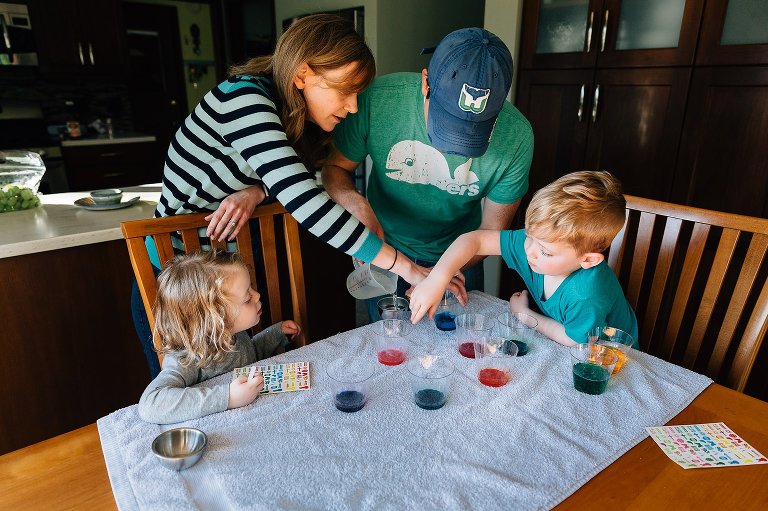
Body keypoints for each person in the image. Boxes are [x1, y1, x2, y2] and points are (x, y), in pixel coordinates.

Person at [132, 14, 465, 378]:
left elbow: (293, 175)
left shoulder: (289, 116)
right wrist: (409, 269)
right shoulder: (244, 99)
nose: (353, 106)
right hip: (177, 283)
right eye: (345, 91)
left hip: (224, 278)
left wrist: (258, 189)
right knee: (187, 400)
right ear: (303, 74)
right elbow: (306, 202)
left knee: (242, 388)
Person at [322, 27, 534, 323]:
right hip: (386, 254)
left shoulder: (518, 137)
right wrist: (358, 207)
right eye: (447, 123)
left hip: (462, 263)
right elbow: (334, 170)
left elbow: (490, 231)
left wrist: (443, 273)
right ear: (425, 83)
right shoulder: (378, 101)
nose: (455, 149)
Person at [408, 171, 639, 347]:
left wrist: (525, 316)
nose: (529, 251)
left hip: (610, 359)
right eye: (529, 236)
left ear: (588, 260)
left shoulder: (586, 293)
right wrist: (436, 279)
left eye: (546, 251)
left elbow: (575, 340)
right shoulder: (538, 244)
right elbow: (475, 240)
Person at [138, 251, 301, 424]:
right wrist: (229, 397)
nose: (257, 295)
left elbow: (249, 357)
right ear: (215, 318)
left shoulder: (234, 334)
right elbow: (151, 404)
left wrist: (276, 334)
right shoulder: (187, 358)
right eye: (247, 297)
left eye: (251, 287)